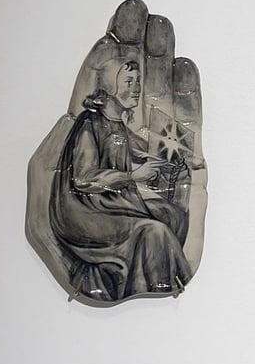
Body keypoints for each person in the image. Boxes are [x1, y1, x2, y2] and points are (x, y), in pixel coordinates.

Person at [49, 59, 192, 302]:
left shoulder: (118, 124)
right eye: (128, 82)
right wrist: (132, 176)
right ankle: (152, 282)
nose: (137, 88)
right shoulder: (89, 123)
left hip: (113, 202)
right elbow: (83, 179)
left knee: (172, 215)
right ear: (108, 87)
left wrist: (164, 161)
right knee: (154, 231)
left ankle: (163, 277)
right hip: (85, 212)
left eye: (138, 81)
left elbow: (135, 149)